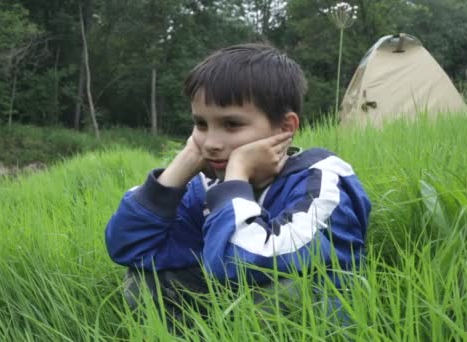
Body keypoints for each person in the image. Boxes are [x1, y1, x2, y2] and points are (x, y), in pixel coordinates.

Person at [104, 43, 371, 324]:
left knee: (283, 294)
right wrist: (183, 164)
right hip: (231, 306)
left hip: (308, 316)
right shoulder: (206, 182)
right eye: (201, 124)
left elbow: (244, 263)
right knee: (143, 283)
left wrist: (237, 176)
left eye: (231, 125)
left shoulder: (322, 179)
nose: (212, 143)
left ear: (286, 128)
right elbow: (127, 246)